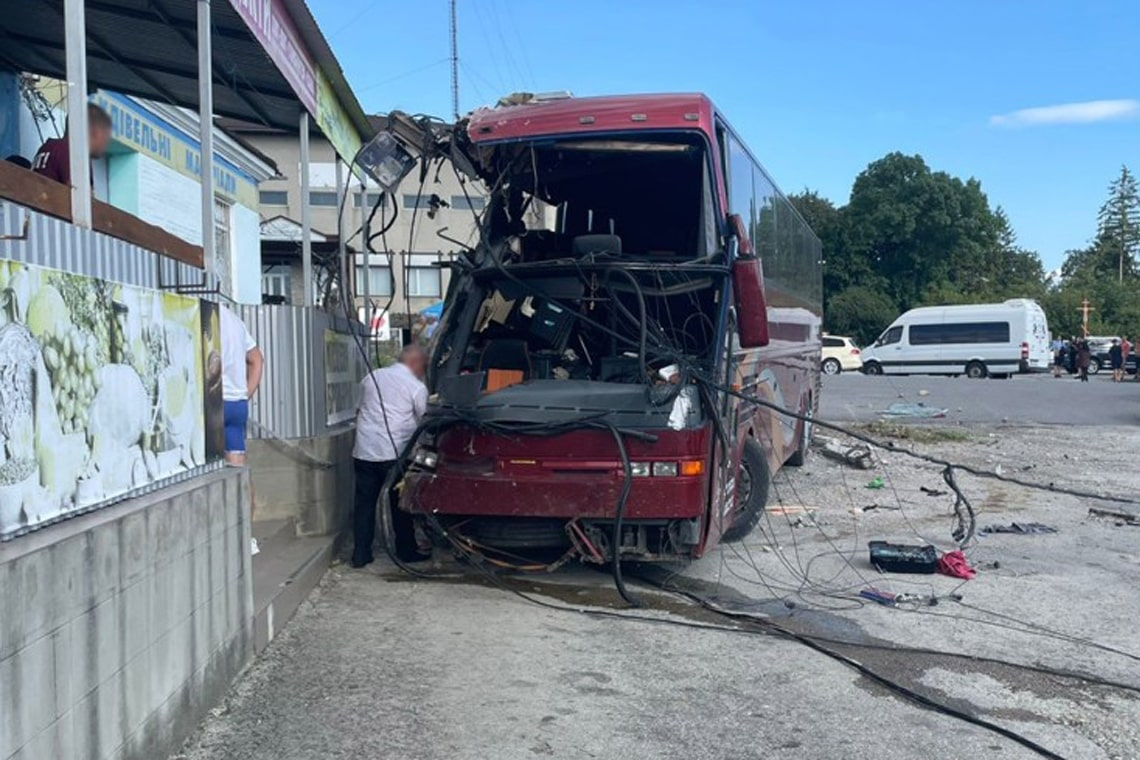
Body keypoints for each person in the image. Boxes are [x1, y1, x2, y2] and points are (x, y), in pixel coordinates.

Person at [351, 344, 429, 568]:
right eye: (423, 366)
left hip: (364, 450)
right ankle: (406, 551)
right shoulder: (416, 387)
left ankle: (361, 554)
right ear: (415, 363)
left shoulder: (372, 377)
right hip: (395, 452)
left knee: (364, 504)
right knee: (400, 504)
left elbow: (360, 410)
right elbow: (424, 419)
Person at [220, 305, 264, 466]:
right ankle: (246, 492)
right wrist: (244, 395)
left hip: (212, 404)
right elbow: (257, 359)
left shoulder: (202, 315)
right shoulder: (235, 321)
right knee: (237, 467)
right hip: (237, 404)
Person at [31, 103, 112, 185]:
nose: (106, 143)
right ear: (95, 132)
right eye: (106, 136)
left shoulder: (50, 147)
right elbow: (79, 193)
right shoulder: (73, 152)